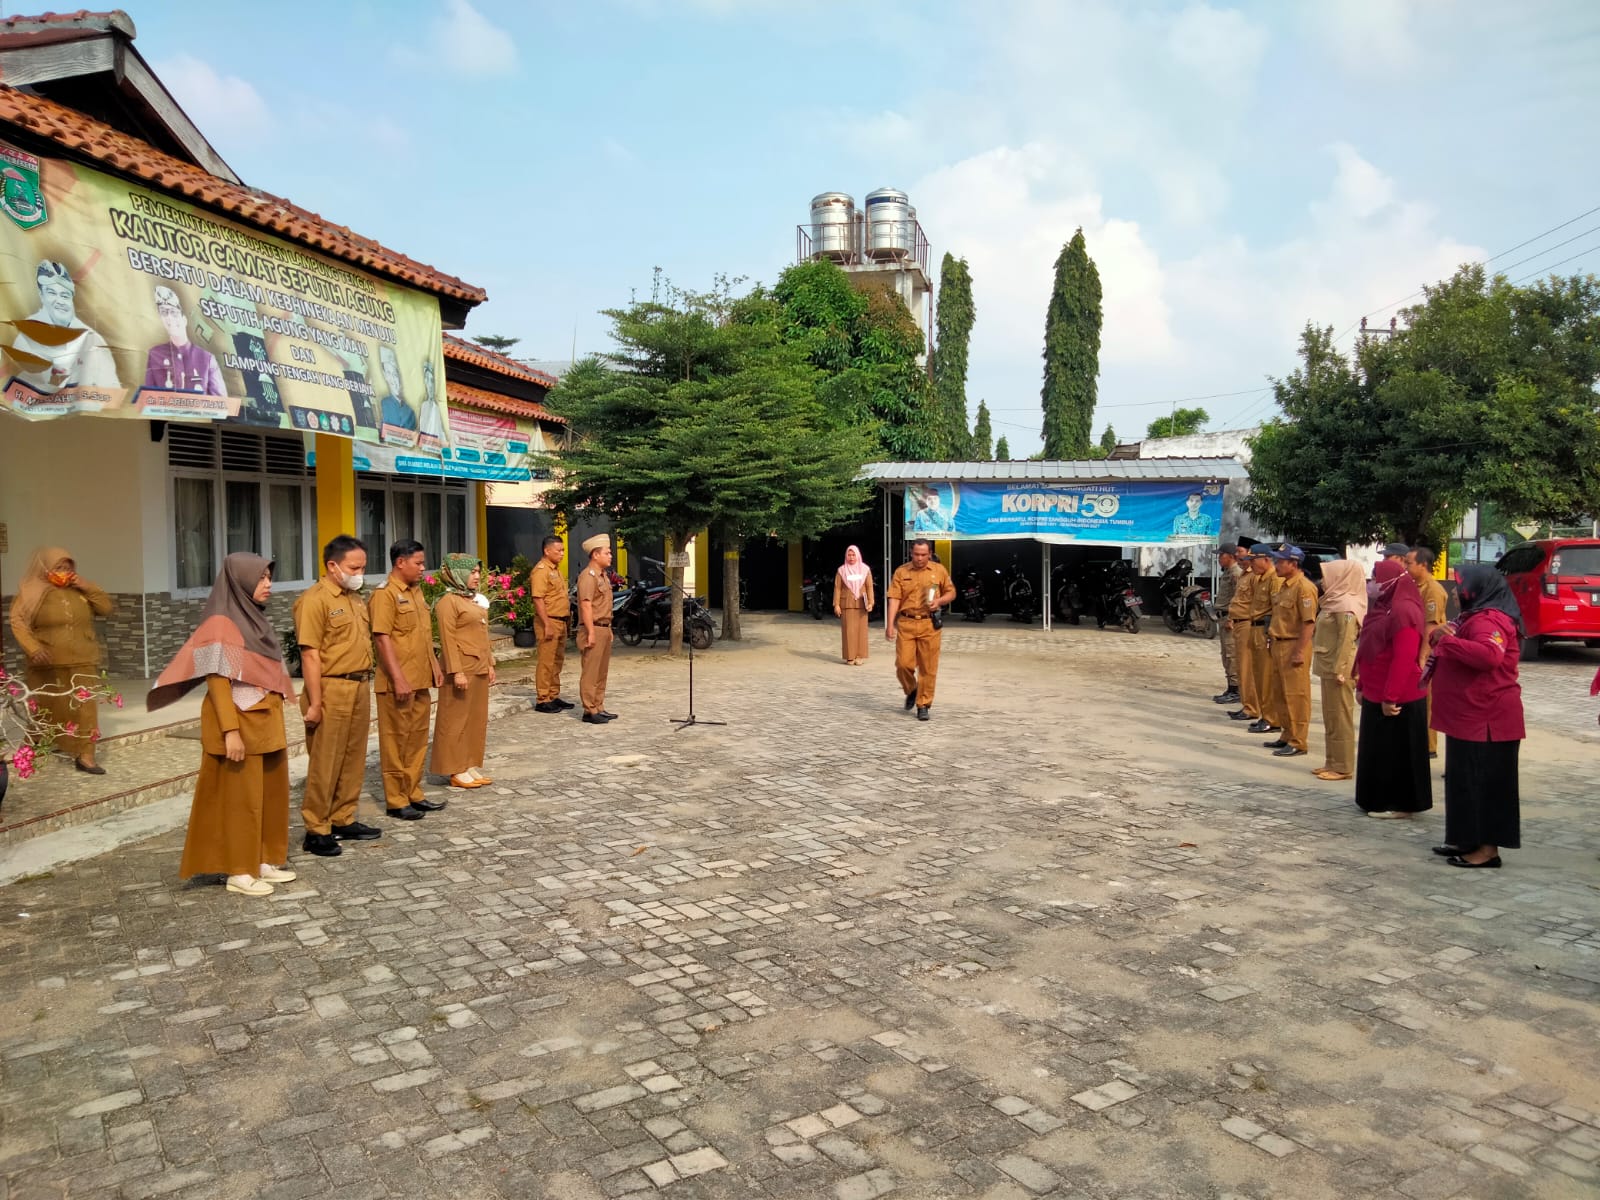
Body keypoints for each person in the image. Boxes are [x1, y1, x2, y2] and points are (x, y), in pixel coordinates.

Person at [148, 553, 296, 897]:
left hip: (265, 720)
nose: (268, 585)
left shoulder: (253, 619)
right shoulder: (220, 623)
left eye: (269, 578)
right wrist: (230, 731)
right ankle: (238, 870)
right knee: (240, 800)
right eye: (261, 578)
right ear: (240, 580)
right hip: (240, 723)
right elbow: (217, 679)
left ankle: (260, 859)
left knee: (268, 796)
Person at [1428, 565, 1526, 868]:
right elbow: (1445, 636)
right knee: (1463, 781)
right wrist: (1437, 635)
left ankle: (1486, 850)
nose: (1456, 591)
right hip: (1468, 715)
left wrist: (1447, 642)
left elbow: (1488, 655)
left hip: (1487, 719)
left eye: (1462, 585)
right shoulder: (1471, 617)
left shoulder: (1489, 620)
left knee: (1484, 785)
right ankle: (1465, 837)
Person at [293, 535, 381, 857]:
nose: (360, 572)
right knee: (325, 761)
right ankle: (317, 828)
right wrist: (315, 703)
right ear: (333, 566)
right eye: (353, 567)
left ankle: (343, 817)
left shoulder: (354, 598)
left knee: (353, 756)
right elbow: (310, 655)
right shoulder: (315, 600)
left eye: (362, 566)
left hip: (358, 686)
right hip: (330, 687)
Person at [9, 546, 114, 774]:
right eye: (58, 567)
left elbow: (106, 608)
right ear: (45, 568)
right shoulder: (31, 592)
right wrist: (32, 647)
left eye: (68, 567)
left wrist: (87, 586)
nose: (64, 571)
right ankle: (35, 747)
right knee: (45, 707)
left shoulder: (79, 590)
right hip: (46, 661)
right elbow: (17, 621)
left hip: (83, 658)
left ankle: (86, 756)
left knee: (86, 709)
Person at [371, 539, 446, 819]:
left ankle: (413, 792)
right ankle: (396, 798)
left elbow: (422, 635)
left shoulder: (416, 592)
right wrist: (398, 678)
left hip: (420, 679)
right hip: (397, 682)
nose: (423, 568)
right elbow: (382, 638)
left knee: (416, 740)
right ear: (400, 562)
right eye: (418, 563)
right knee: (395, 741)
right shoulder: (385, 594)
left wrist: (434, 666)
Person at [1353, 559, 1432, 817]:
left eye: (1375, 578)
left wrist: (1390, 697)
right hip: (1377, 692)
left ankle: (1401, 805)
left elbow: (1403, 658)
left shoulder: (1404, 610)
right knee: (1378, 751)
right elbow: (1367, 649)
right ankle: (1375, 799)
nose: (1372, 584)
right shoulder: (1382, 608)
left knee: (1398, 753)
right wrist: (1362, 684)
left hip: (1400, 696)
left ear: (1389, 581)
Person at [430, 554, 497, 787]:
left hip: (477, 665)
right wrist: (456, 671)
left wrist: (489, 663)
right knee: (455, 719)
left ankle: (468, 762)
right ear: (457, 573)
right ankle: (454, 768)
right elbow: (447, 639)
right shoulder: (448, 602)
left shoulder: (471, 600)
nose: (477, 576)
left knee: (475, 719)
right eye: (472, 572)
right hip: (461, 668)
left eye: (478, 572)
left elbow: (483, 633)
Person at [11, 261, 118, 393]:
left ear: (71, 298)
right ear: (41, 295)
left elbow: (112, 391)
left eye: (64, 295)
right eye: (51, 293)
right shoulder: (26, 337)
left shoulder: (93, 340)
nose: (60, 301)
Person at [885, 538, 955, 721]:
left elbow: (951, 592)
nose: (919, 558)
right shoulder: (901, 572)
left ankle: (923, 704)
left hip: (929, 624)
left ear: (929, 554)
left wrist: (939, 601)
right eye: (916, 554)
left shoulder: (938, 571)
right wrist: (889, 624)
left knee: (928, 667)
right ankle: (912, 689)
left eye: (923, 555)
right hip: (906, 623)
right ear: (911, 553)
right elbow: (894, 598)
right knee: (903, 664)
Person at [1310, 559, 1365, 781]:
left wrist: (1341, 669)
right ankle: (1331, 761)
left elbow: (1346, 640)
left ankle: (1343, 766)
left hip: (1338, 669)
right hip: (1327, 665)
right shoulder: (1333, 601)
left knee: (1340, 716)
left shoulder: (1347, 605)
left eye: (1327, 575)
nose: (1323, 581)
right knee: (1330, 715)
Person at [1263, 545, 1317, 757]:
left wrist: (1300, 651)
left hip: (1294, 644)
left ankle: (1298, 740)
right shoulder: (1285, 586)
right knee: (1280, 693)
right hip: (1278, 644)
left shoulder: (1304, 588)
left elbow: (1308, 623)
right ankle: (1286, 734)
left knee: (1296, 695)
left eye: (1280, 561)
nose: (1277, 565)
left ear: (1293, 564)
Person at [1405, 546, 1449, 759]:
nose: (1406, 567)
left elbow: (1431, 626)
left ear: (1423, 565)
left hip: (1426, 652)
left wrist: (1423, 657)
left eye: (1409, 563)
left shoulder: (1432, 590)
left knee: (1427, 699)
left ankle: (1428, 745)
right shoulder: (1413, 586)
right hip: (1412, 649)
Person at [142, 286, 224, 395]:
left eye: (174, 312)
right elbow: (148, 398)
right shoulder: (155, 354)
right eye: (164, 312)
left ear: (184, 319)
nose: (169, 318)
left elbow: (221, 404)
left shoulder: (206, 358)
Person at [531, 535, 574, 713]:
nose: (562, 554)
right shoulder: (541, 570)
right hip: (549, 620)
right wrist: (546, 623)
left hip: (561, 621)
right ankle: (542, 698)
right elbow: (538, 598)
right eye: (558, 550)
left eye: (563, 550)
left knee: (557, 661)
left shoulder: (555, 570)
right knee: (546, 661)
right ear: (546, 551)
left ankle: (553, 695)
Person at [576, 534, 617, 724]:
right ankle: (589, 709)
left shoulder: (603, 576)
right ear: (595, 555)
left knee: (602, 671)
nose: (610, 556)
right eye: (607, 553)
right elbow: (586, 605)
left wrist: (608, 629)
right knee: (591, 671)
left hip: (604, 627)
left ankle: (599, 706)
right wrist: (591, 632)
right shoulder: (588, 576)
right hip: (593, 628)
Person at [1244, 549, 1284, 736]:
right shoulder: (1260, 578)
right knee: (1259, 676)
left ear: (1267, 559)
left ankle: (1272, 718)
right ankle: (1265, 714)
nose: (1250, 563)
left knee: (1267, 677)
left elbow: (1276, 610)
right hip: (1255, 629)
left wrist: (1271, 634)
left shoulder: (1274, 579)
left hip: (1265, 630)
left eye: (1254, 560)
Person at [1224, 547, 1259, 723]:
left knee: (1246, 668)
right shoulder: (1245, 575)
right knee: (1240, 666)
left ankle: (1252, 707)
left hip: (1247, 623)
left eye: (1243, 555)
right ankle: (1247, 705)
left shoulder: (1254, 577)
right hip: (1238, 623)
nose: (1239, 557)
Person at [834, 545, 875, 665]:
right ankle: (849, 656)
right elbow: (837, 588)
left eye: (853, 555)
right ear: (846, 556)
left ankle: (859, 655)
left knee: (861, 631)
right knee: (849, 631)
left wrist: (871, 602)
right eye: (849, 555)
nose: (851, 557)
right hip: (847, 603)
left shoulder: (865, 569)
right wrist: (836, 604)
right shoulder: (841, 570)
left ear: (858, 555)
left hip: (862, 603)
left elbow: (869, 587)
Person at [1212, 546, 1243, 703]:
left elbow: (1238, 598)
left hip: (1229, 619)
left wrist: (1232, 618)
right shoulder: (1227, 572)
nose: (1219, 558)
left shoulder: (1236, 573)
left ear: (1230, 556)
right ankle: (1231, 687)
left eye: (1221, 555)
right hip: (1223, 618)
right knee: (1226, 655)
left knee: (1232, 654)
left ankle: (1236, 689)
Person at [378, 346, 415, 432]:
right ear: (385, 376)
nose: (393, 380)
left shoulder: (410, 412)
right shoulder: (384, 404)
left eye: (395, 374)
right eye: (389, 373)